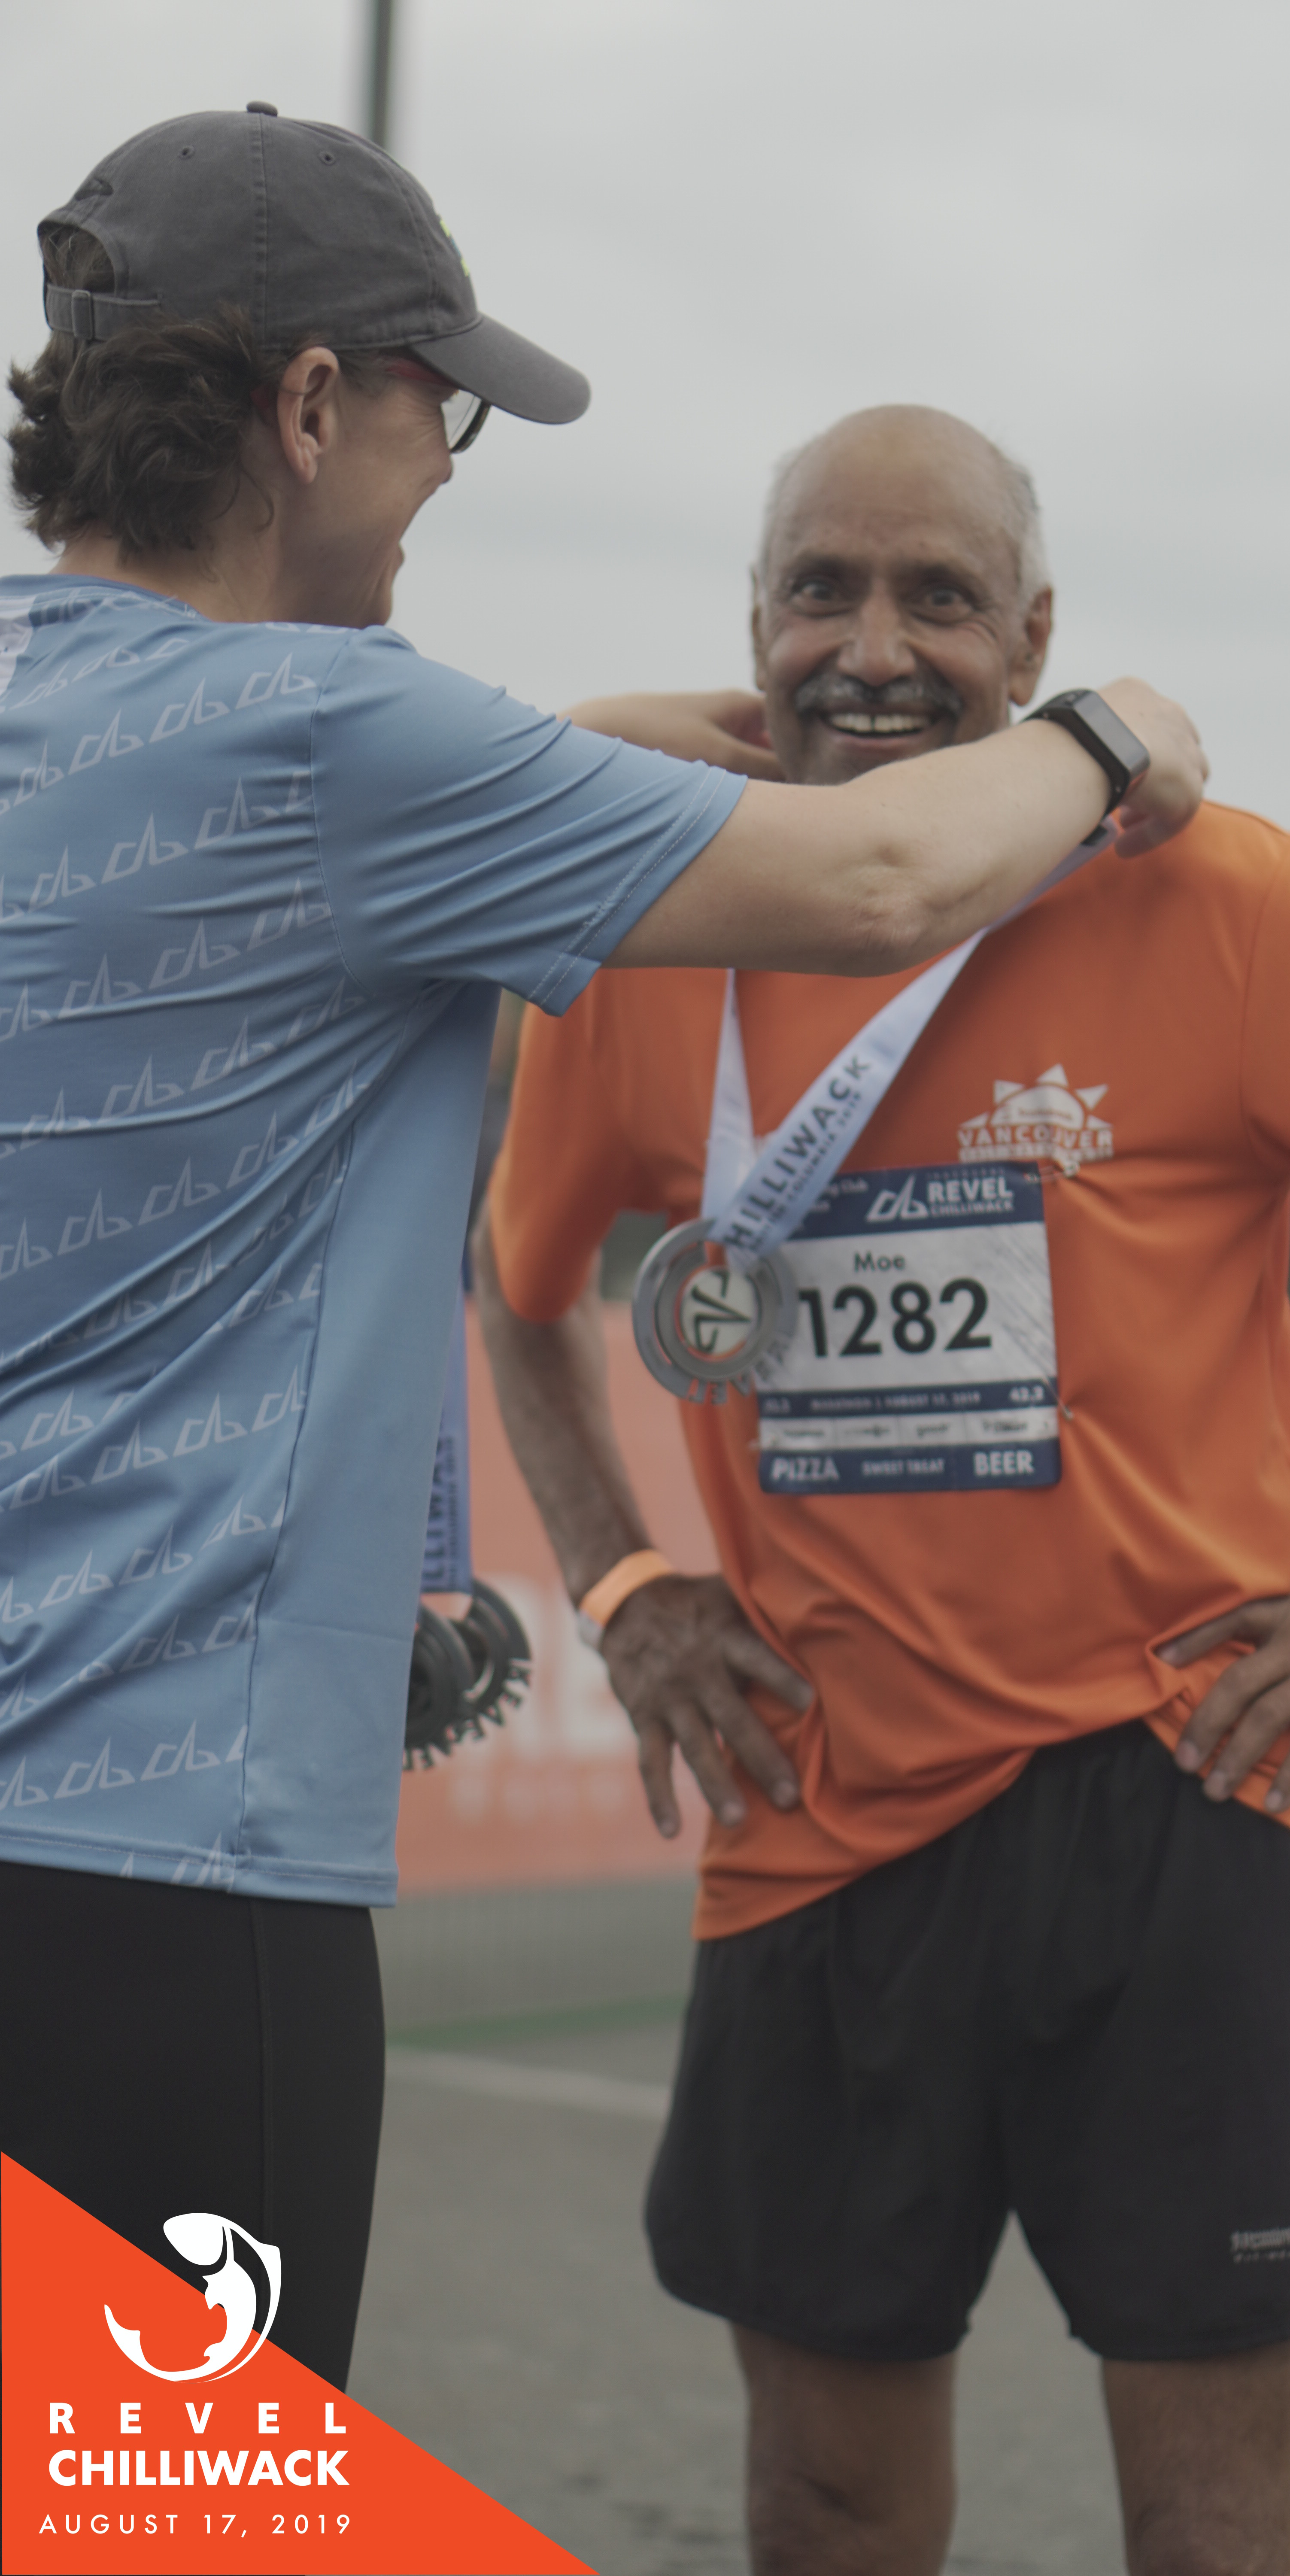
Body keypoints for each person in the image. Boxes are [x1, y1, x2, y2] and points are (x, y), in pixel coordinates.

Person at [0, 115, 1205, 2394]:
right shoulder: (338, 743)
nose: (440, 481)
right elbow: (885, 884)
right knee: (167, 2529)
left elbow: (301, 824)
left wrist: (610, 747)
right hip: (159, 1872)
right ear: (309, 406)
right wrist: (1109, 730)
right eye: (437, 416)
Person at [477, 404, 1290, 2576]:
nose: (875, 648)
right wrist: (622, 1581)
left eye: (939, 597)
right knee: (823, 2502)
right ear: (753, 625)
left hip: (1180, 1802)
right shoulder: (660, 935)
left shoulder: (1222, 904)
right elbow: (520, 1290)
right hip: (813, 1808)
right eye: (821, 590)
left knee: (1209, 2519)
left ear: (1034, 639)